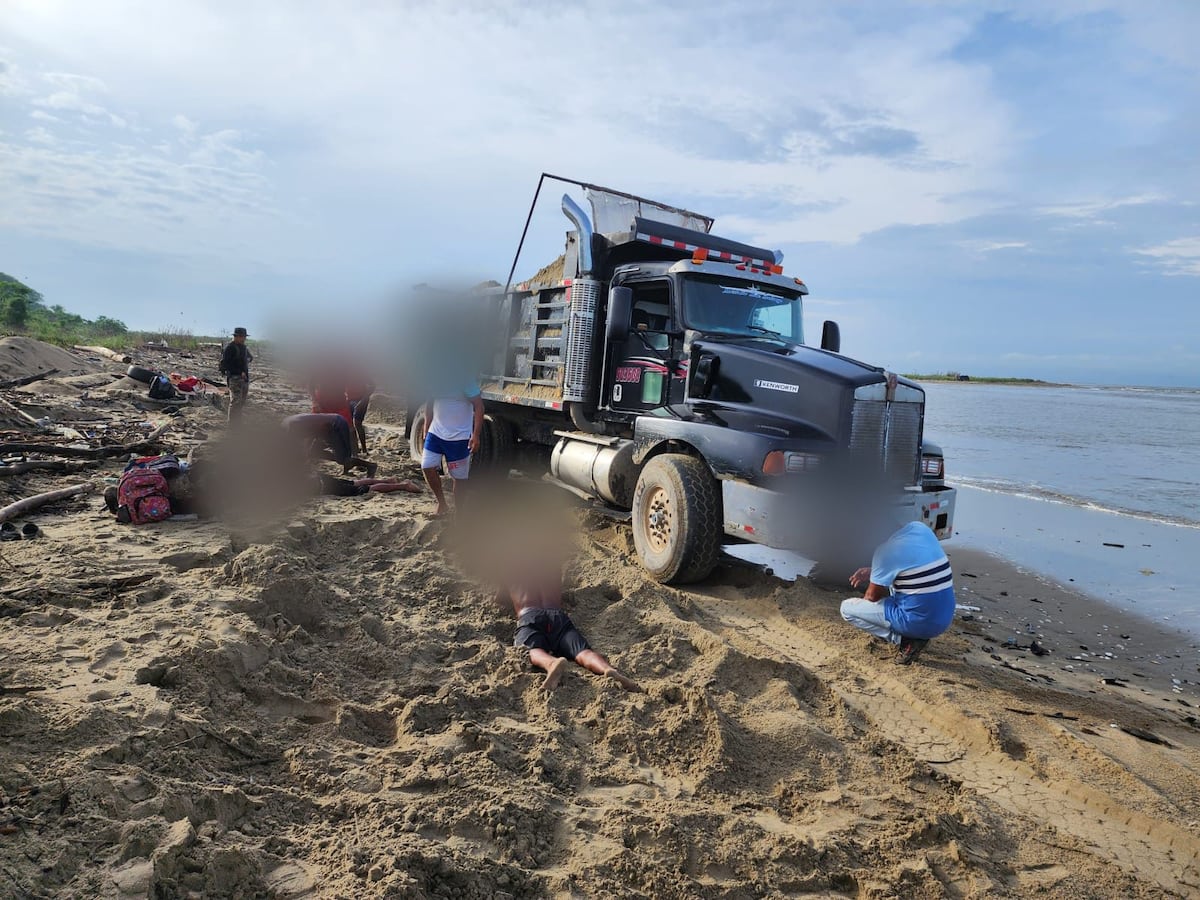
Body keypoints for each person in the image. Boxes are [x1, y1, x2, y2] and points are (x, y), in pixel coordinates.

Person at [840, 520, 956, 665]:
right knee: (900, 586)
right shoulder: (921, 529)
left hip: (921, 622)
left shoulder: (884, 551)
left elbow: (871, 597)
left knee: (846, 608)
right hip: (945, 617)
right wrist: (874, 572)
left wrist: (872, 586)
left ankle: (905, 640)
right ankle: (911, 632)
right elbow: (911, 563)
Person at [498, 577, 641, 693]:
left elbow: (500, 598)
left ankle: (551, 663)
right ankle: (607, 669)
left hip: (529, 615)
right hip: (557, 616)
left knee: (529, 650)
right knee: (583, 652)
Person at [420, 382, 484, 517]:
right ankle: (442, 504)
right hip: (436, 433)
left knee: (459, 478)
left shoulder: (465, 380)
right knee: (427, 466)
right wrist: (426, 425)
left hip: (459, 437)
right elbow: (429, 402)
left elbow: (479, 406)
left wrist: (475, 435)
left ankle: (459, 511)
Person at [283, 413, 378, 477]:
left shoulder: (291, 428)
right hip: (323, 428)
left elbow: (308, 437)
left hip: (335, 425)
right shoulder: (287, 426)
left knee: (343, 458)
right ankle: (345, 464)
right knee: (313, 452)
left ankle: (370, 466)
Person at [219, 327, 253, 424]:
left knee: (241, 402)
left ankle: (237, 422)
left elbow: (250, 358)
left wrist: (246, 362)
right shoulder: (229, 348)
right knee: (235, 402)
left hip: (244, 379)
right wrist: (239, 371)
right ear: (236, 336)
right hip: (234, 378)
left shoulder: (244, 347)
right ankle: (232, 425)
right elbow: (226, 364)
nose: (244, 339)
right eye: (242, 337)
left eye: (244, 337)